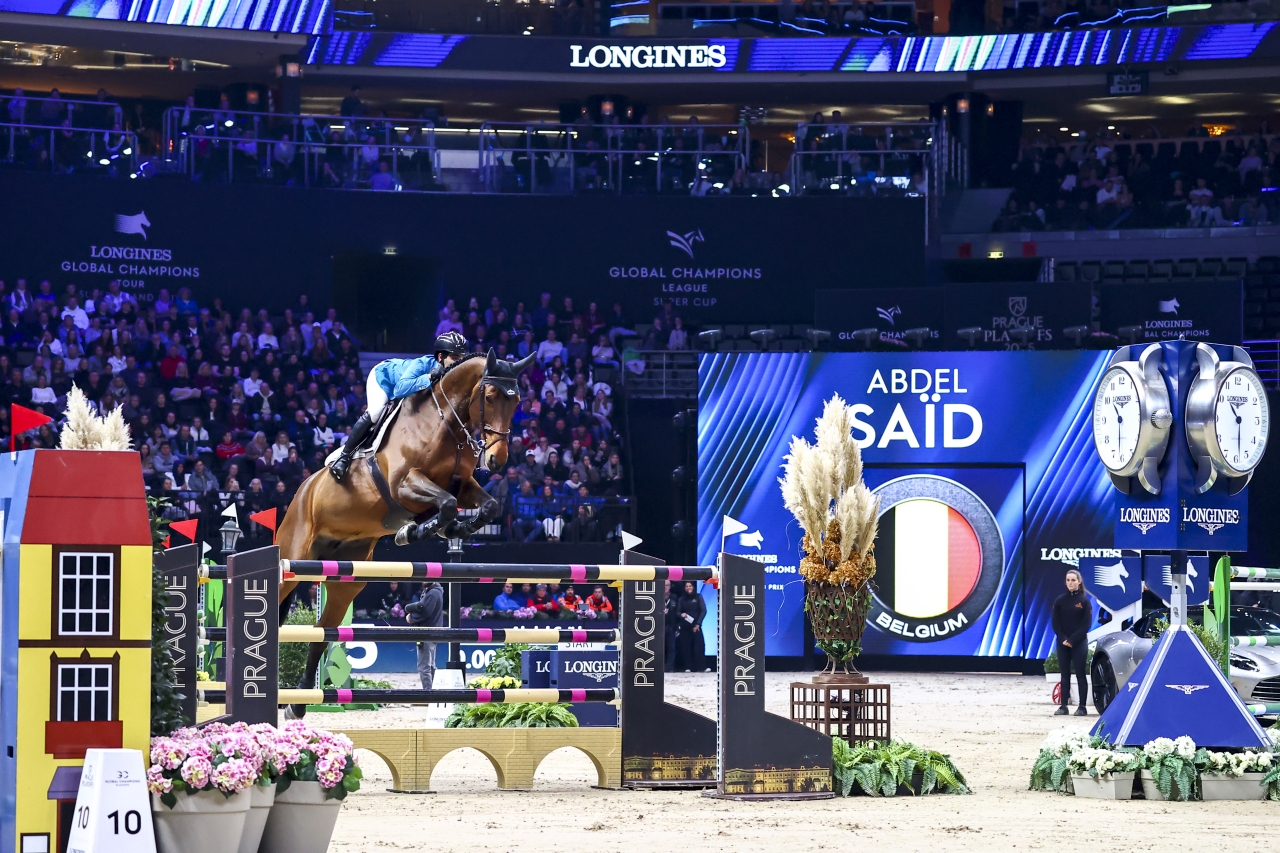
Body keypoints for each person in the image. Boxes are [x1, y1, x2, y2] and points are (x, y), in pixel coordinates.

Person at [328, 331, 467, 481]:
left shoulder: (454, 376)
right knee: (376, 411)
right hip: (384, 377)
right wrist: (429, 377)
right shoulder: (423, 364)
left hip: (405, 392)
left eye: (462, 358)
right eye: (455, 358)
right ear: (441, 357)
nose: (459, 362)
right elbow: (399, 389)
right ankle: (343, 457)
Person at [1052, 569, 1092, 716]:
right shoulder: (1060, 600)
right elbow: (1055, 623)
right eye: (1068, 580)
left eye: (1073, 580)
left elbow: (1086, 625)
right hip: (1062, 643)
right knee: (1064, 674)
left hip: (1079, 643)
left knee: (1080, 673)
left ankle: (1082, 706)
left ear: (1079, 582)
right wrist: (1063, 639)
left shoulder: (1084, 601)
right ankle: (1063, 706)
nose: (1070, 583)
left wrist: (1072, 640)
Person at [405, 582, 444, 689]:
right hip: (433, 633)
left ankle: (428, 692)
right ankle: (433, 691)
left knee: (424, 667)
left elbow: (425, 612)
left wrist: (411, 617)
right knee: (430, 666)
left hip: (426, 633)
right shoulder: (435, 592)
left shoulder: (432, 593)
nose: (423, 581)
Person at [675, 581, 707, 672]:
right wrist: (681, 614)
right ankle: (688, 667)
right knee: (686, 647)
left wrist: (698, 624)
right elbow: (677, 612)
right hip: (685, 626)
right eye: (686, 586)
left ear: (693, 587)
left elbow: (703, 611)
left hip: (696, 626)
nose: (688, 588)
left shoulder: (698, 597)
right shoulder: (681, 599)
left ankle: (701, 667)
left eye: (690, 586)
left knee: (699, 647)